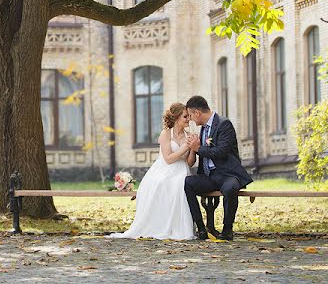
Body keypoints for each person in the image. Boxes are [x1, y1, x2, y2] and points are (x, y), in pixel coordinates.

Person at [108, 103, 197, 240]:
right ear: (177, 118)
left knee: (179, 185)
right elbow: (168, 159)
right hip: (164, 169)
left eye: (188, 117)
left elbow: (190, 162)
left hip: (181, 170)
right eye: (185, 116)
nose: (188, 119)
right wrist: (186, 147)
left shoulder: (189, 135)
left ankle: (179, 227)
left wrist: (194, 148)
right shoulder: (166, 134)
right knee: (160, 184)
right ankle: (159, 225)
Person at [184, 95, 253, 241]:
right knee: (187, 183)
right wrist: (193, 148)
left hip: (228, 174)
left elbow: (221, 151)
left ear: (197, 112)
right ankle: (201, 229)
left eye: (190, 115)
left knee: (230, 188)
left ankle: (227, 230)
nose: (190, 119)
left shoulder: (224, 124)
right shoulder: (203, 128)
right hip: (210, 176)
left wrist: (198, 148)